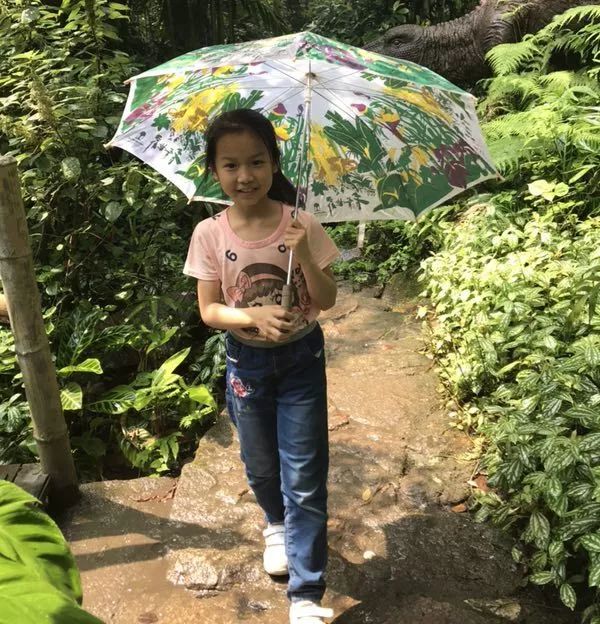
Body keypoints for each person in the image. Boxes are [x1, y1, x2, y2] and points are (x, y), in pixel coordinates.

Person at [183, 108, 340, 624]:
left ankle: (306, 594)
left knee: (305, 473)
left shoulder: (301, 224)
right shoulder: (209, 233)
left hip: (301, 360)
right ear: (214, 171)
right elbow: (209, 312)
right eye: (230, 165)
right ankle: (275, 522)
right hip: (245, 362)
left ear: (274, 163)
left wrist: (306, 254)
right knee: (260, 463)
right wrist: (251, 315)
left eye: (256, 161)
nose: (244, 175)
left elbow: (327, 300)